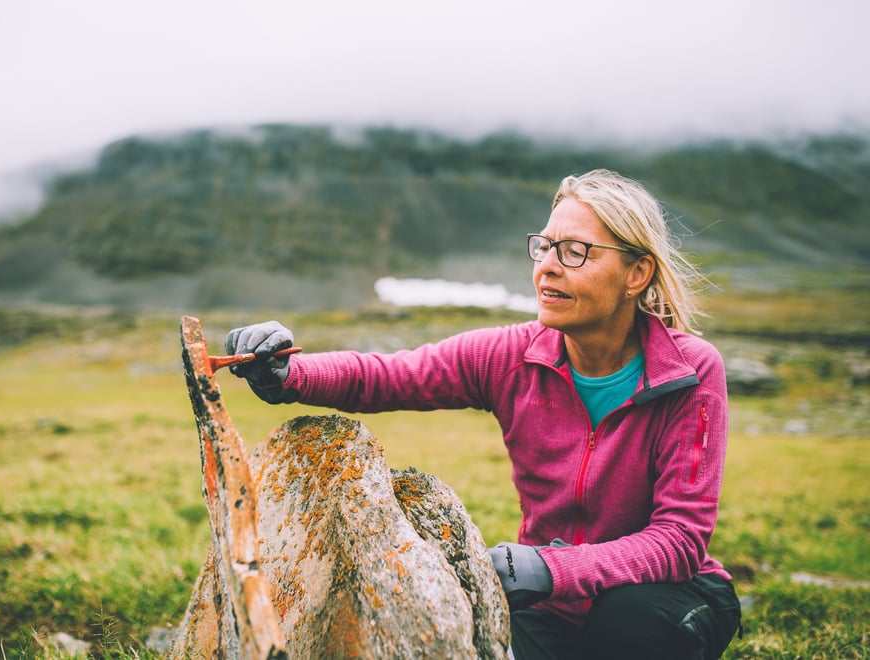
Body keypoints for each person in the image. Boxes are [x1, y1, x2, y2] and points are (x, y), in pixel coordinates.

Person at [224, 169, 742, 659]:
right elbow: (390, 375)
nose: (548, 266)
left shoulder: (690, 373)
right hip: (552, 605)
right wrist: (287, 374)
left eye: (576, 252)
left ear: (637, 273)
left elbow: (679, 541)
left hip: (665, 596)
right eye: (544, 247)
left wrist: (550, 567)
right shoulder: (512, 356)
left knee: (628, 622)